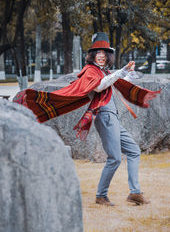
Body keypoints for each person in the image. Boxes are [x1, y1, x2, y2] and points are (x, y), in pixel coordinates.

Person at [14, 32, 161, 206]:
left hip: (113, 118)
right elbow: (99, 87)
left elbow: (115, 82)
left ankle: (135, 193)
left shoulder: (103, 71)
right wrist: (120, 72)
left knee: (134, 151)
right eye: (98, 53)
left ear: (108, 56)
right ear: (92, 55)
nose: (101, 56)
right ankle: (101, 195)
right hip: (104, 117)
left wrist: (127, 72)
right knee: (114, 158)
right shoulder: (90, 71)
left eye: (104, 53)